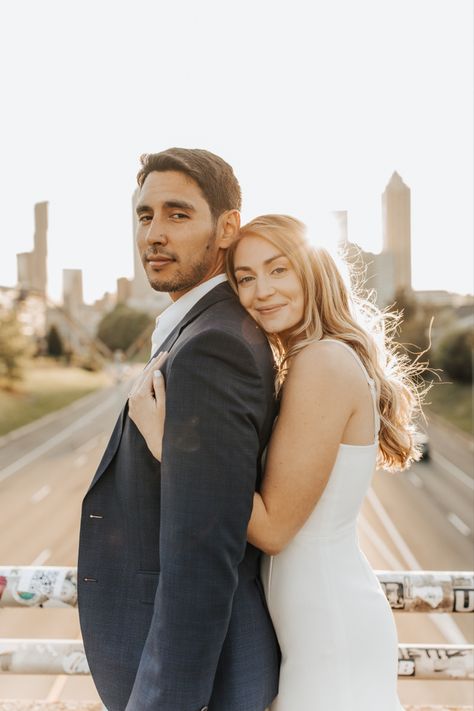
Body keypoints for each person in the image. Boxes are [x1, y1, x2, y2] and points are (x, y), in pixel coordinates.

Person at [132, 214, 425, 710]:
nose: (261, 291)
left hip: (328, 629)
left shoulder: (322, 363)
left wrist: (168, 447)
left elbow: (271, 528)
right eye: (245, 278)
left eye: (278, 270)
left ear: (314, 272)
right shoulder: (312, 359)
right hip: (312, 623)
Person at [77, 149, 280, 711]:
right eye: (145, 216)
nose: (154, 234)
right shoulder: (198, 330)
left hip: (196, 685)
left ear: (226, 228)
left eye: (177, 214)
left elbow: (202, 553)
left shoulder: (211, 346)